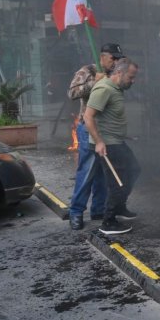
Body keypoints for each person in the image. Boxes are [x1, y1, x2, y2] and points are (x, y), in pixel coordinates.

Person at [66, 42, 123, 230]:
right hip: (89, 128)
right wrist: (94, 82)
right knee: (88, 171)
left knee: (102, 172)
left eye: (118, 58)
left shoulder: (115, 74)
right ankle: (76, 212)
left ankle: (98, 209)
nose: (115, 62)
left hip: (107, 130)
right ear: (102, 57)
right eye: (112, 58)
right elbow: (72, 93)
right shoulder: (88, 71)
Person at [83, 59, 140, 235]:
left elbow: (107, 118)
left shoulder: (116, 89)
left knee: (134, 170)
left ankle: (119, 207)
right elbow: (88, 117)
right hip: (108, 146)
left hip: (116, 141)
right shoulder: (104, 89)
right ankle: (108, 222)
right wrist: (99, 141)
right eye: (131, 76)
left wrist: (124, 134)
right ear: (119, 73)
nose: (133, 80)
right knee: (118, 183)